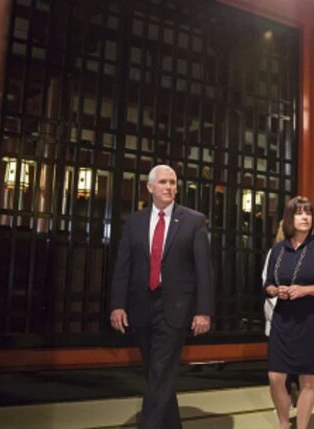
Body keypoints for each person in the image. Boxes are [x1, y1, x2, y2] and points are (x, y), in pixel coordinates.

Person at [109, 165, 213, 429]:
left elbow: (204, 271)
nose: (169, 187)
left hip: (176, 309)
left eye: (173, 183)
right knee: (156, 373)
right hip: (141, 307)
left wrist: (203, 311)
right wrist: (117, 305)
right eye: (163, 182)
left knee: (160, 371)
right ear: (150, 187)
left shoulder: (193, 221)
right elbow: (123, 267)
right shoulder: (135, 221)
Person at [264, 196, 314, 429]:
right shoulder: (278, 249)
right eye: (299, 213)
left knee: (307, 381)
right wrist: (276, 290)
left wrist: (305, 290)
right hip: (283, 317)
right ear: (289, 218)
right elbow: (267, 284)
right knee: (275, 377)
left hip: (312, 318)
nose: (305, 217)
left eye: (308, 213)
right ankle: (284, 423)